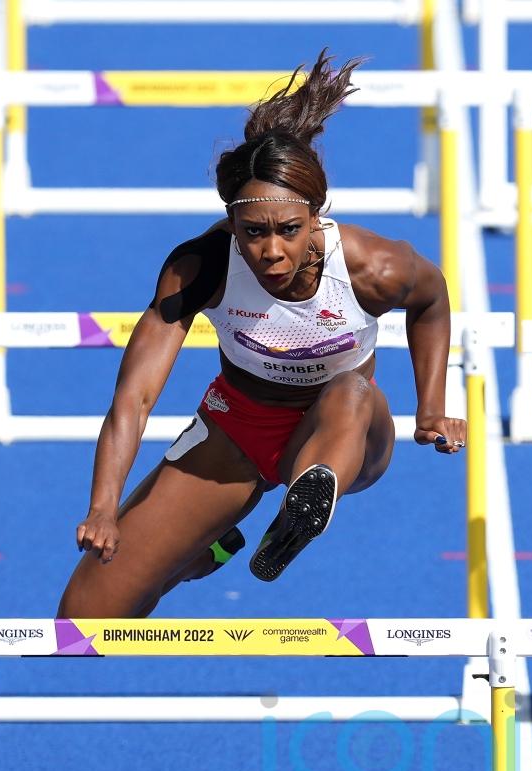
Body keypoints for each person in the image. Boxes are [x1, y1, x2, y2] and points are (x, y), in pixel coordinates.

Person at [58, 50, 466, 619]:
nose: (271, 251)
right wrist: (103, 507)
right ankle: (207, 548)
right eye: (252, 233)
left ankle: (303, 504)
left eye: (289, 230)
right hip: (237, 427)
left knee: (349, 392)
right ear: (231, 222)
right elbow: (135, 397)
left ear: (316, 216)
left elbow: (433, 300)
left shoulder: (375, 268)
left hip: (344, 432)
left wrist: (431, 409)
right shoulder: (201, 267)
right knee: (83, 620)